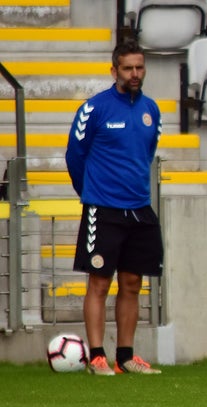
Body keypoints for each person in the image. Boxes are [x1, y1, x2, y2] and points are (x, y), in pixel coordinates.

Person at [65, 38, 163, 376]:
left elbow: (147, 153)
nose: (135, 74)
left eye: (139, 67)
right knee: (100, 283)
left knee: (133, 283)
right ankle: (96, 357)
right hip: (103, 207)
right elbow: (75, 156)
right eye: (128, 68)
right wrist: (90, 192)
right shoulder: (94, 109)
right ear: (114, 70)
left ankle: (126, 356)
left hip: (139, 208)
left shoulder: (152, 109)